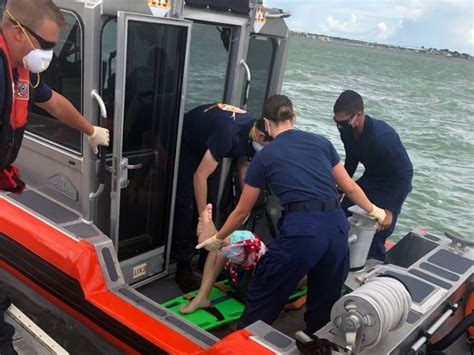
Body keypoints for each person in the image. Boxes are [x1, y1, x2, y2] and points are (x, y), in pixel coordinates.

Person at [197, 95, 386, 334]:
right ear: (294, 118)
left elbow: (242, 211)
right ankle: (316, 346)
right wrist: (375, 211)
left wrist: (216, 239)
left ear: (266, 123)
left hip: (303, 231)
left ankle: (242, 346)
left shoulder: (264, 156)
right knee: (324, 306)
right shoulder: (322, 143)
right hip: (337, 229)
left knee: (263, 294)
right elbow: (349, 187)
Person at [0, 1, 109, 353]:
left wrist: (90, 130)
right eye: (45, 45)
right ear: (17, 31)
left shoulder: (19, 70)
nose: (49, 54)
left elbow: (53, 103)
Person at [172, 103, 269, 292]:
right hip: (189, 140)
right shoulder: (229, 132)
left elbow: (243, 165)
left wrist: (244, 204)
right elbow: (200, 176)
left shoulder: (253, 134)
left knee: (211, 203)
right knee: (188, 206)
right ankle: (182, 267)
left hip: (211, 146)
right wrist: (203, 220)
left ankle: (204, 259)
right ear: (260, 136)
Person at [333, 90, 413, 261]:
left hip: (392, 185)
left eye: (344, 123)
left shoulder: (383, 138)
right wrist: (342, 186)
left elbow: (405, 174)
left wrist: (391, 210)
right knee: (340, 216)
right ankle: (339, 261)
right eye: (337, 122)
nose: (340, 127)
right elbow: (352, 158)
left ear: (359, 115)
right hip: (372, 178)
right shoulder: (347, 131)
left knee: (377, 232)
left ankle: (372, 271)